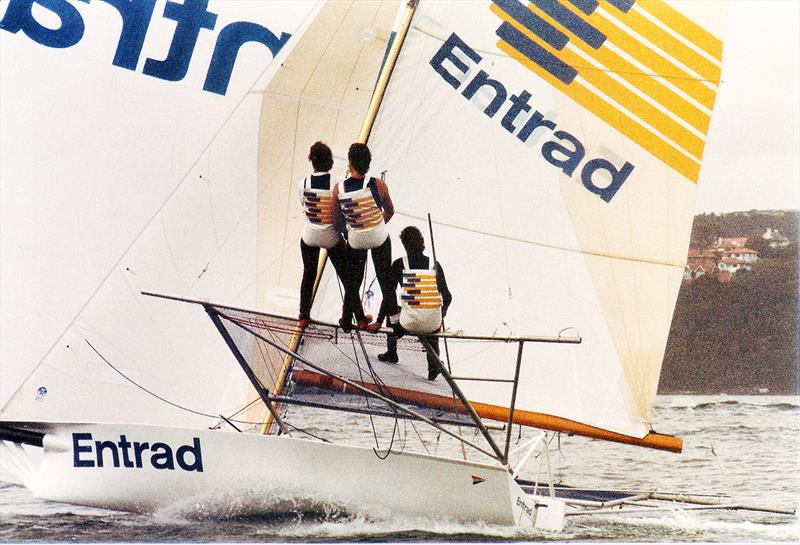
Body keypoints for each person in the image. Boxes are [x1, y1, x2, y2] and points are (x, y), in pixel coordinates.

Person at [298, 141, 370, 330]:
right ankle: (361, 318)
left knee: (309, 274)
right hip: (331, 236)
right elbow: (342, 212)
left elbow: (304, 207)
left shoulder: (302, 184)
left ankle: (303, 316)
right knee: (347, 279)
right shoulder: (337, 183)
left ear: (312, 162)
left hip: (310, 235)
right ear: (329, 161)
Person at [371, 225, 452, 381]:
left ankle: (392, 352)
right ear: (422, 242)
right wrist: (440, 315)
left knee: (394, 309)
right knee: (432, 313)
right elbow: (447, 297)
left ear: (404, 245)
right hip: (431, 325)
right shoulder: (435, 265)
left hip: (407, 323)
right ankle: (433, 364)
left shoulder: (399, 265)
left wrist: (379, 321)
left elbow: (388, 296)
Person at [332, 143, 398, 331]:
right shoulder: (379, 184)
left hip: (356, 240)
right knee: (385, 281)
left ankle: (347, 320)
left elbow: (337, 221)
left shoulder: (339, 189)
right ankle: (385, 322)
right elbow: (390, 211)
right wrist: (375, 225)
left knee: (353, 283)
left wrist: (353, 230)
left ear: (350, 163)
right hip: (378, 237)